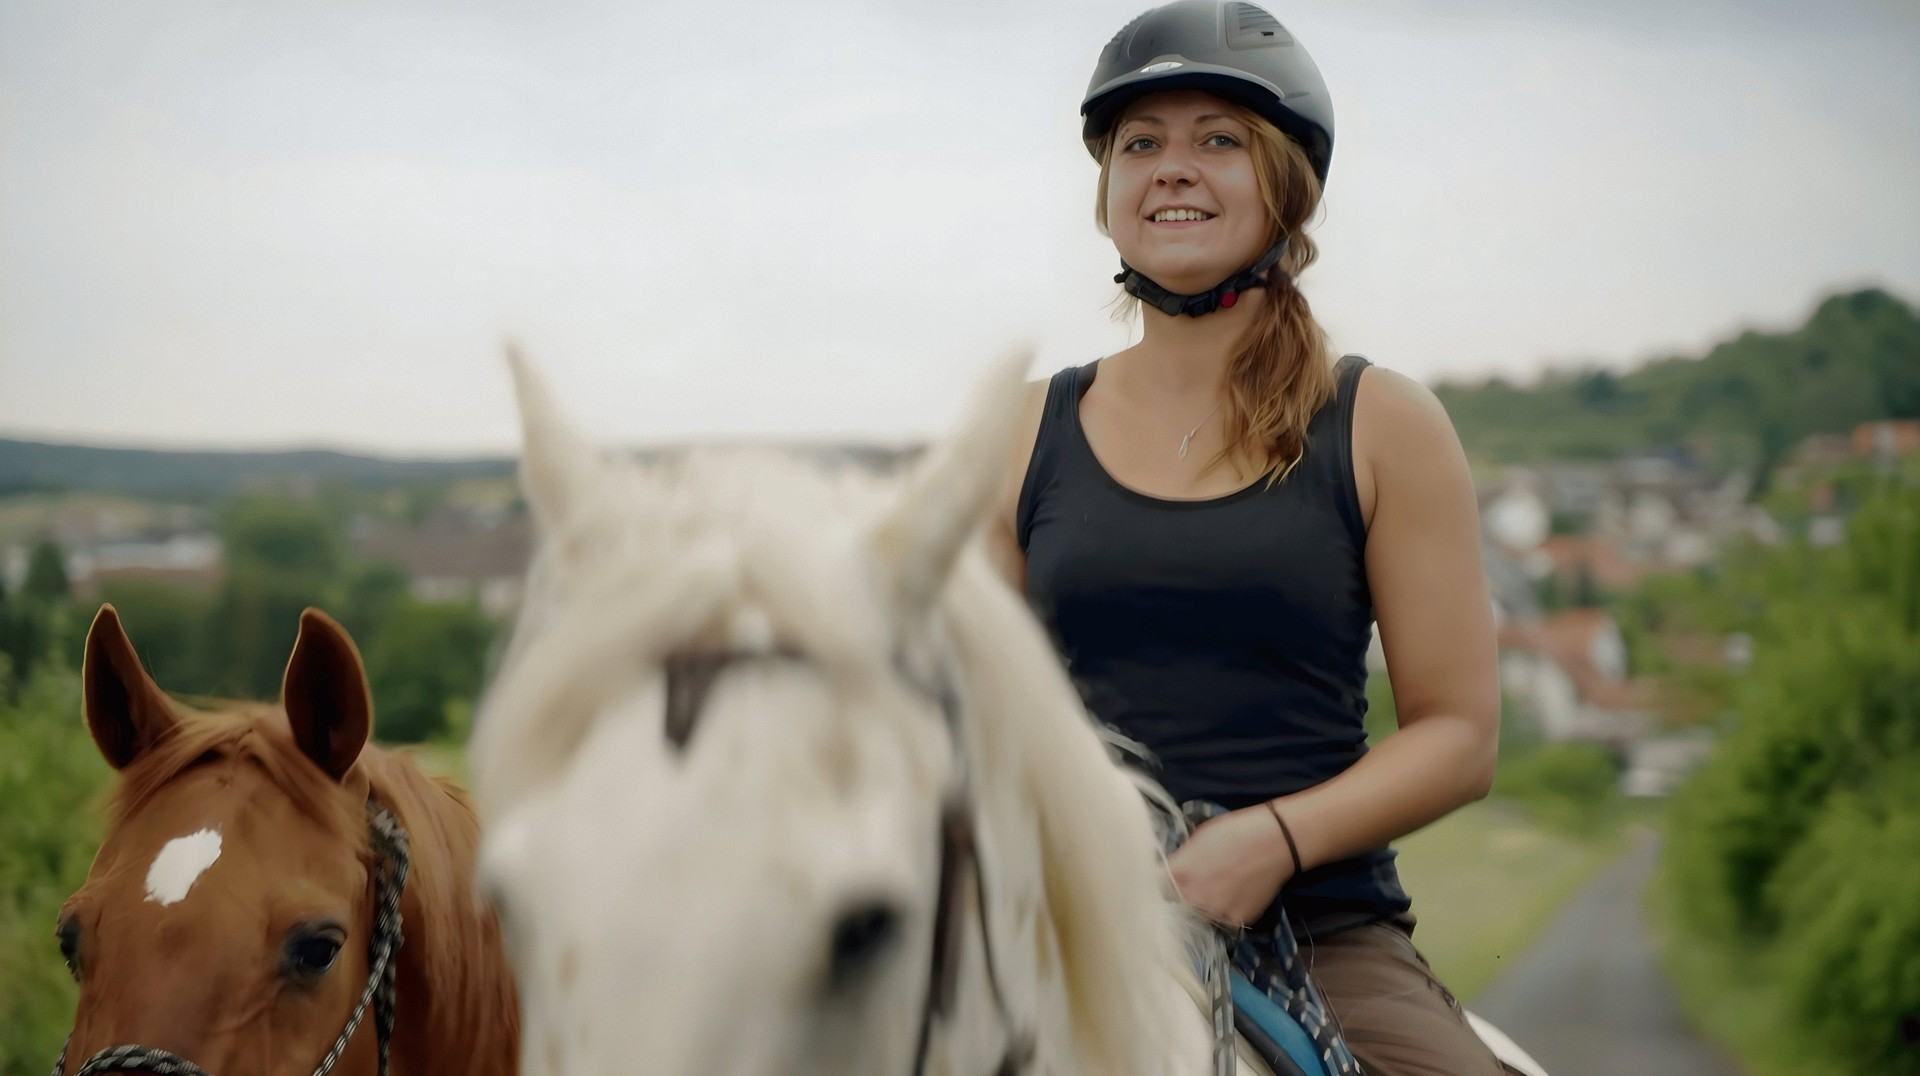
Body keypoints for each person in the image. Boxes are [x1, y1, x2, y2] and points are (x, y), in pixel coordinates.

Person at [986, 3, 1510, 1073]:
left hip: (1319, 935)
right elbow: (969, 706)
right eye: (1141, 144)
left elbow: (1459, 734)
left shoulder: (1382, 424)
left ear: (1285, 184)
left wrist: (1273, 840)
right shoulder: (1021, 430)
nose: (1173, 168)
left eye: (1218, 139)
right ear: (1109, 190)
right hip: (1056, 927)